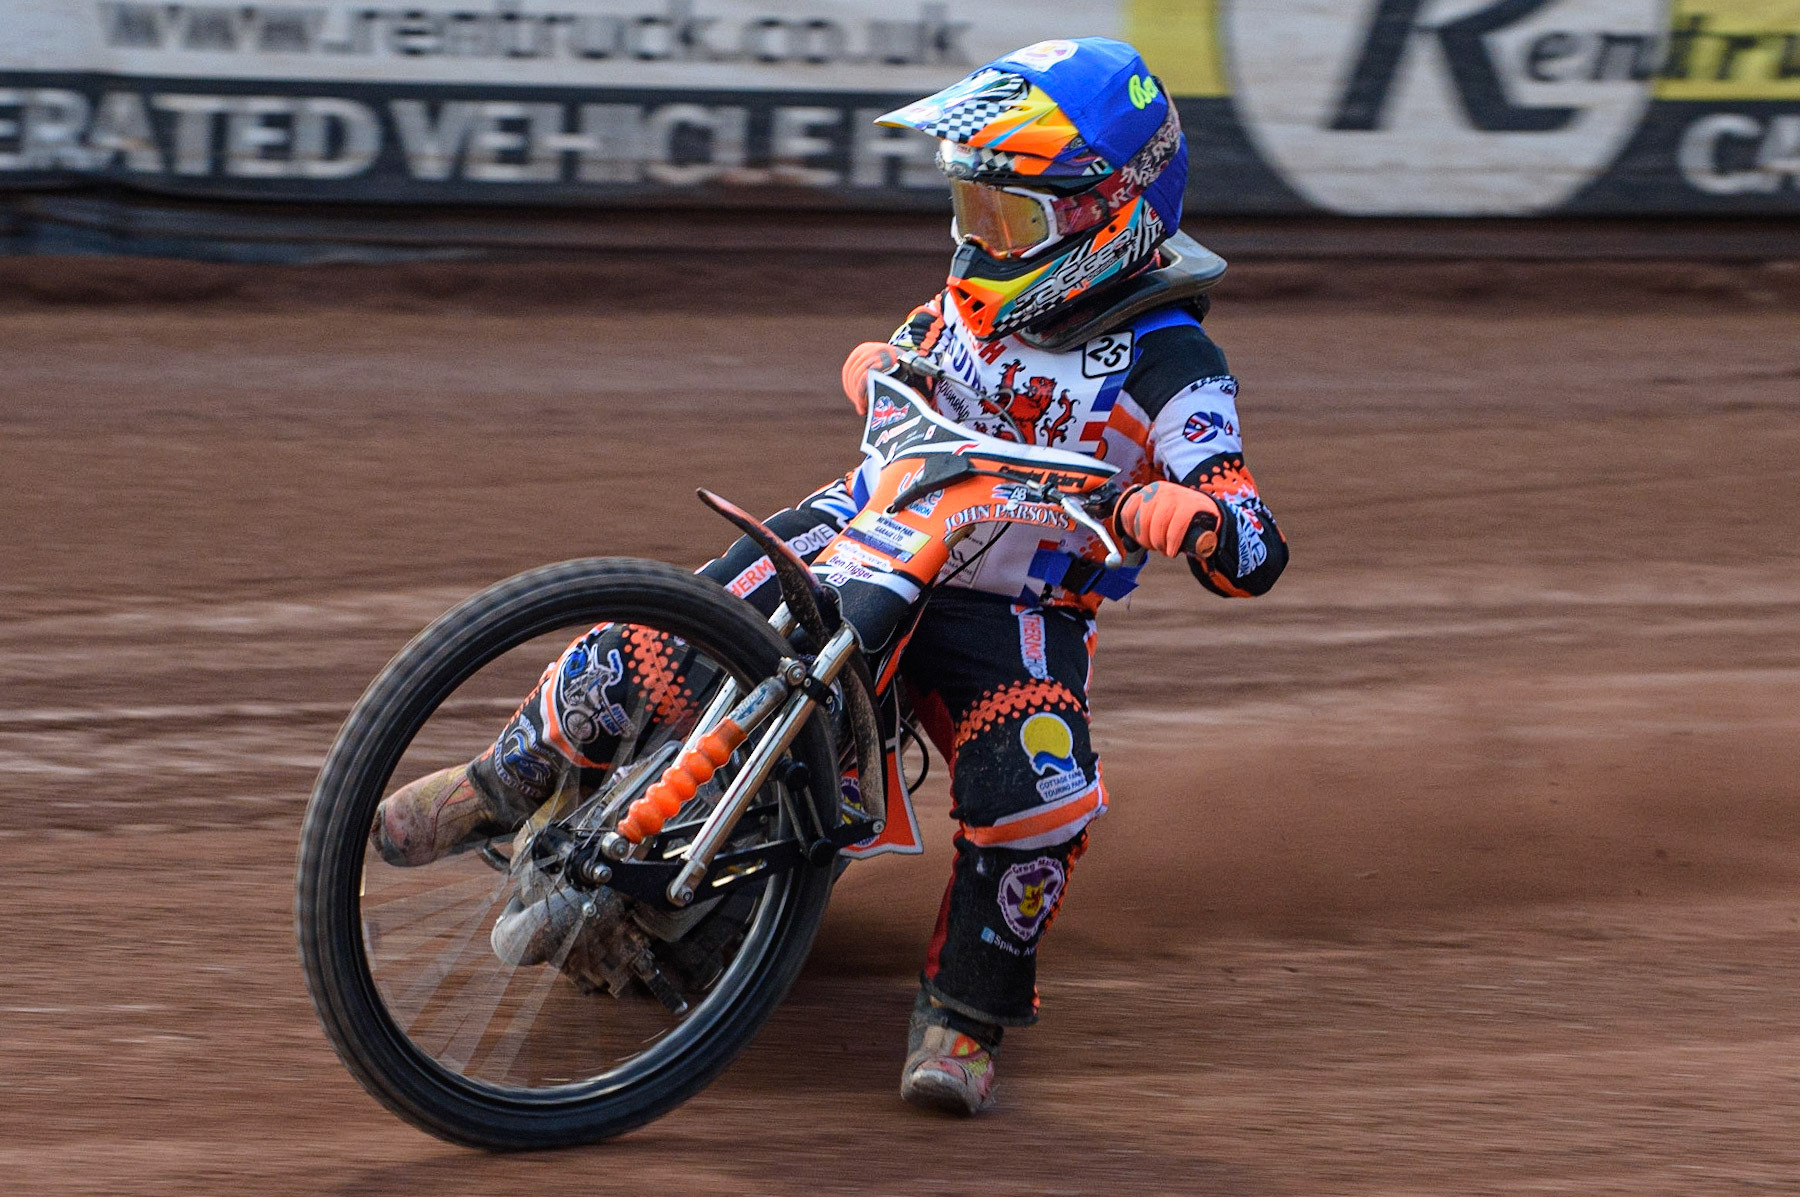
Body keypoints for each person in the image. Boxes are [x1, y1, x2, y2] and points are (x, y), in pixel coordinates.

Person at [372, 37, 1288, 1117]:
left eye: (1011, 219)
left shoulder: (1172, 361)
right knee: (668, 630)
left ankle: (965, 1012)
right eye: (973, 208)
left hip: (1012, 601)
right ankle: (502, 780)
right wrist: (878, 363)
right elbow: (912, 351)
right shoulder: (981, 291)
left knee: (1038, 796)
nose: (981, 237)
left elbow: (1248, 524)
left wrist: (1194, 516)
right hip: (869, 527)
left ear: (1109, 215)